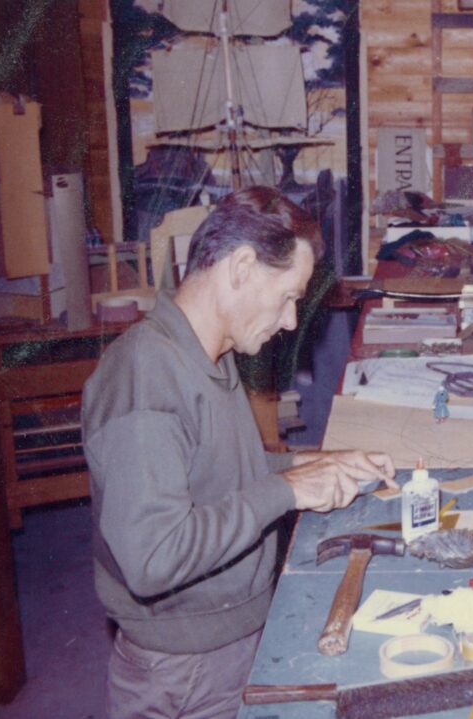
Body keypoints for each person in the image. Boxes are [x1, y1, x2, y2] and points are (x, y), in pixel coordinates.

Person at [82, 187, 396, 719]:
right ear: (242, 267)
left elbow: (215, 478)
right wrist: (287, 489)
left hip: (225, 644)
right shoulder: (146, 376)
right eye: (288, 296)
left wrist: (317, 465)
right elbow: (154, 557)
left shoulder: (209, 352)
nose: (292, 321)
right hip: (184, 669)